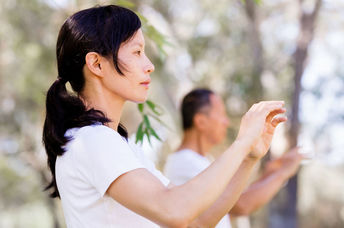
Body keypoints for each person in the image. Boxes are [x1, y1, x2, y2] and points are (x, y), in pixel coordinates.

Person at [42, 5, 287, 228]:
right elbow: (175, 211)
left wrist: (248, 157)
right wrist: (241, 142)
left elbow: (196, 221)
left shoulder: (118, 145)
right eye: (137, 52)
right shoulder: (92, 140)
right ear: (96, 64)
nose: (149, 65)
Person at [164, 88, 303, 227]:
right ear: (200, 121)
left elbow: (232, 196)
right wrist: (283, 173)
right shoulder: (185, 162)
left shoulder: (201, 161)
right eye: (221, 114)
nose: (226, 122)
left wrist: (269, 174)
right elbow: (240, 205)